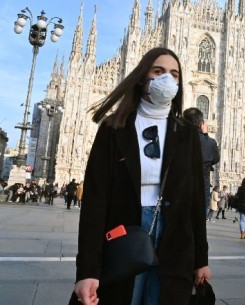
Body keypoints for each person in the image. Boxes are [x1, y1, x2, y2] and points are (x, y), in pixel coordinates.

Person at [70, 47, 210, 305]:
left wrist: (201, 259)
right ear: (142, 77)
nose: (167, 79)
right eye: (158, 71)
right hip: (125, 231)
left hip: (174, 236)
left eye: (174, 74)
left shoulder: (186, 133)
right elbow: (95, 202)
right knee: (125, 297)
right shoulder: (114, 128)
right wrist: (87, 270)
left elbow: (195, 199)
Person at [183, 107, 219, 216]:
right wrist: (205, 135)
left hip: (181, 190)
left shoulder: (178, 139)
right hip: (201, 192)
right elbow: (215, 159)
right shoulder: (210, 143)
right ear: (201, 124)